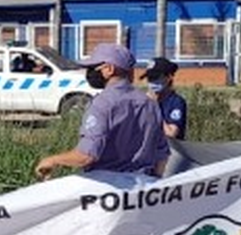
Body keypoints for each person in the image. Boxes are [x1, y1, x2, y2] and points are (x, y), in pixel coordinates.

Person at [35, 43, 166, 180]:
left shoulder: (103, 104)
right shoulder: (150, 104)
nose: (89, 73)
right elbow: (161, 155)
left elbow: (86, 156)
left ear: (109, 69)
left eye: (92, 68)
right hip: (142, 188)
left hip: (106, 189)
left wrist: (52, 161)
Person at [144, 57, 189, 177]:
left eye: (156, 78)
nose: (152, 82)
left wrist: (154, 107)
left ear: (168, 77)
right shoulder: (144, 102)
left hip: (170, 160)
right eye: (150, 78)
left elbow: (171, 133)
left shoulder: (176, 102)